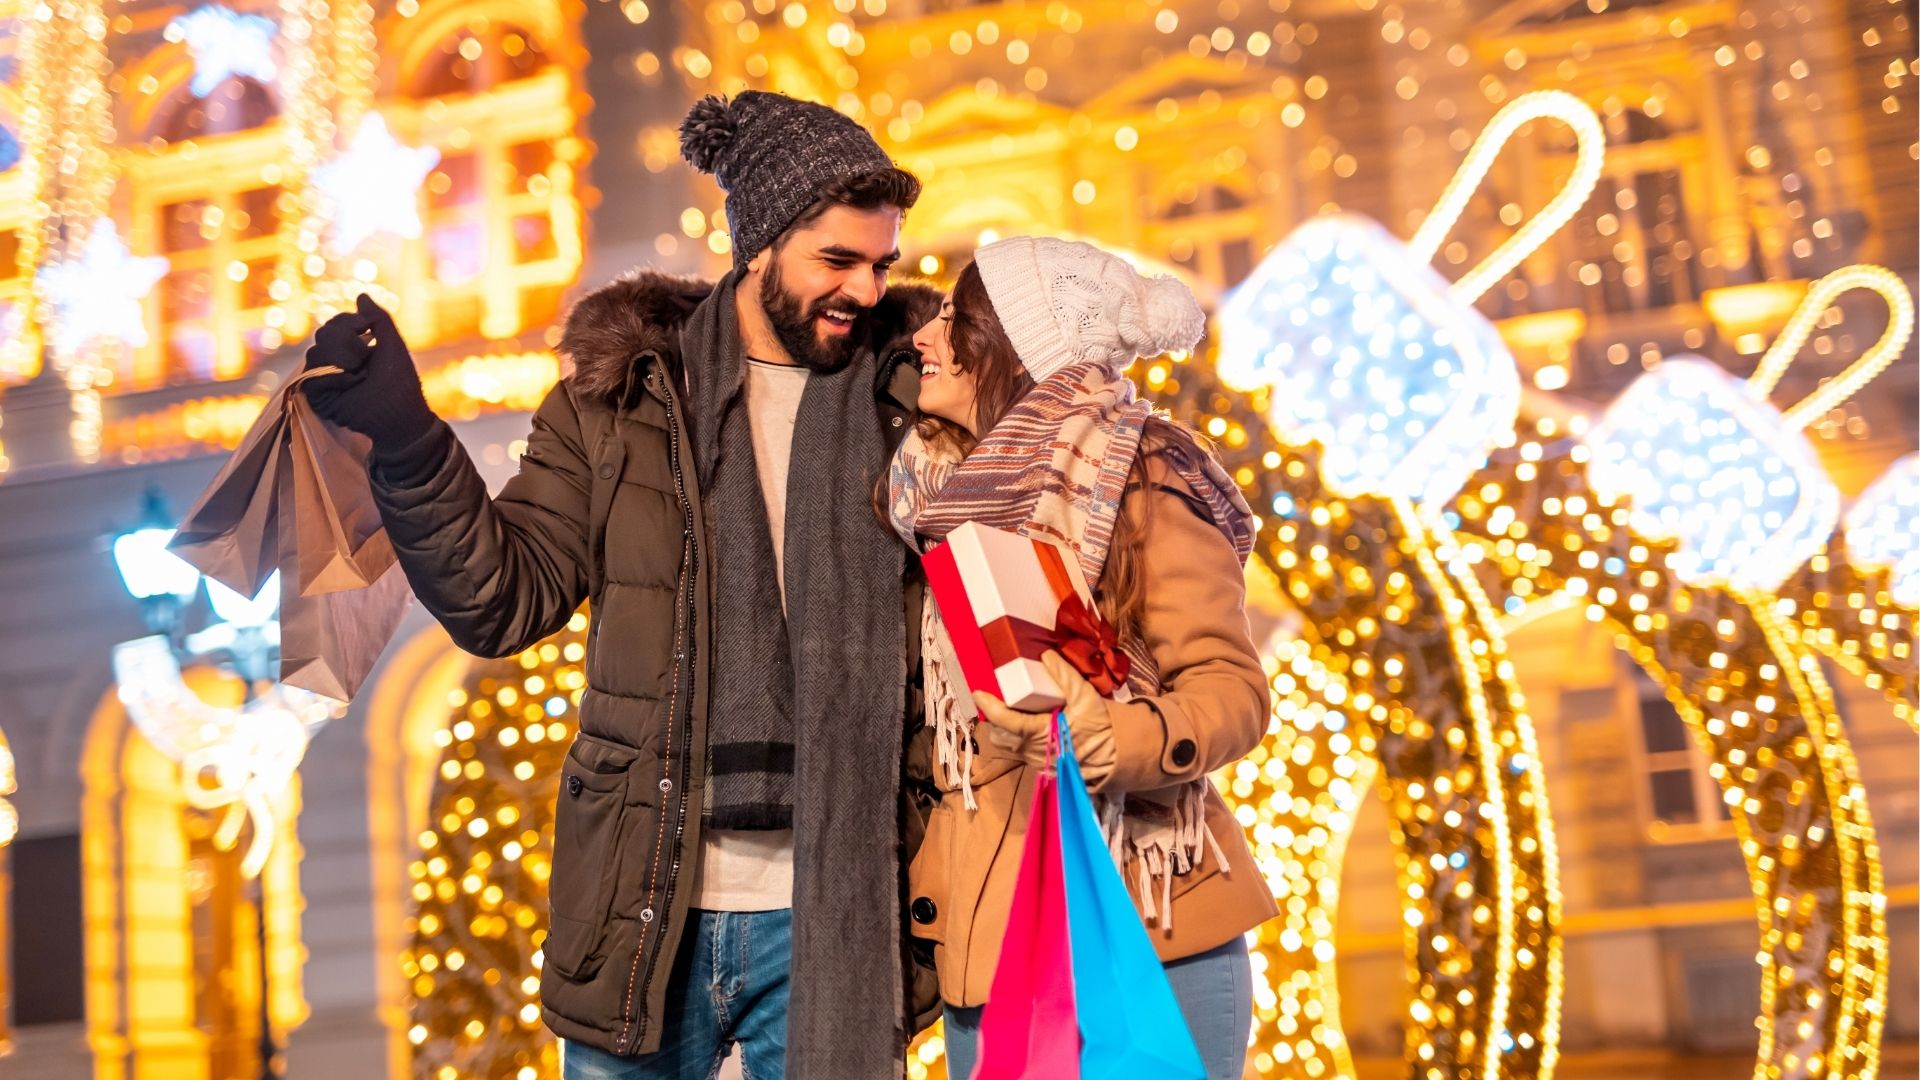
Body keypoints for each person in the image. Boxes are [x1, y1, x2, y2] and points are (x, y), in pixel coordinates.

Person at [301, 91, 943, 1080]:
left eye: (880, 265)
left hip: (835, 911)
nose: (864, 288)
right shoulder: (618, 402)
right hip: (644, 904)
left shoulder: (911, 405)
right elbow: (503, 597)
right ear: (761, 246)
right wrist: (407, 443)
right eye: (837, 260)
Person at [885, 237, 1279, 1080]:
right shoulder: (929, 493)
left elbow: (1233, 692)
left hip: (1152, 932)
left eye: (956, 320)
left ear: (1013, 350)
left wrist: (1116, 740)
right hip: (991, 946)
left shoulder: (1137, 472)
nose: (925, 335)